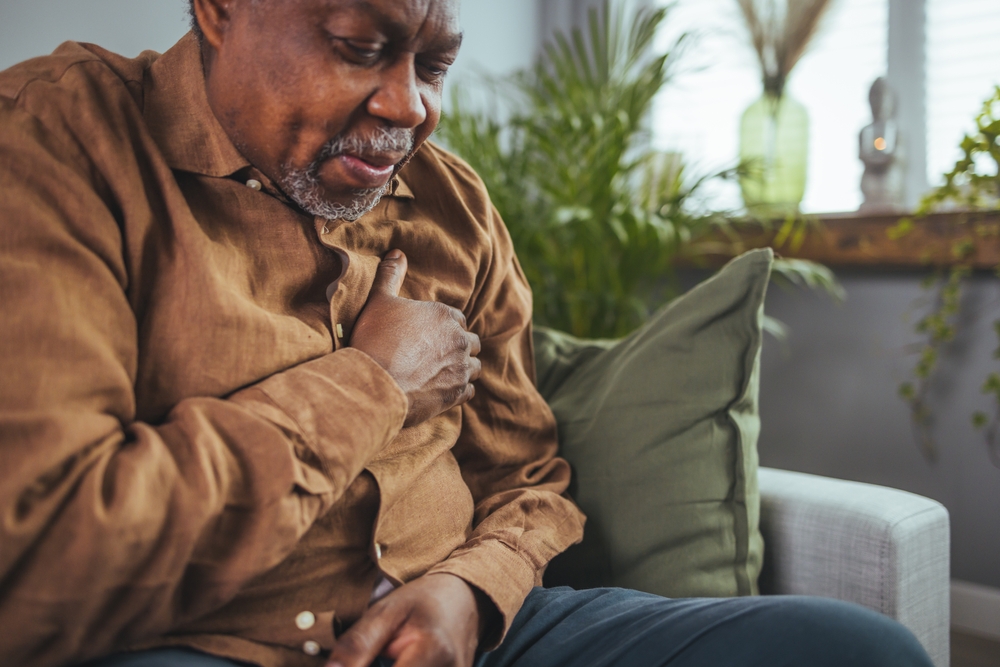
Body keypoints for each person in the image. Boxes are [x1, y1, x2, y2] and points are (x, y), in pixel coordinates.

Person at [0, 1, 935, 666]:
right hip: (199, 640)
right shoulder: (56, 141)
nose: (410, 106)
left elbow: (527, 476)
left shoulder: (452, 204)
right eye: (360, 46)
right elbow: (43, 557)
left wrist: (472, 593)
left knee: (860, 649)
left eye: (433, 64)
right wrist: (373, 381)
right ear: (219, 7)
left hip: (489, 633)